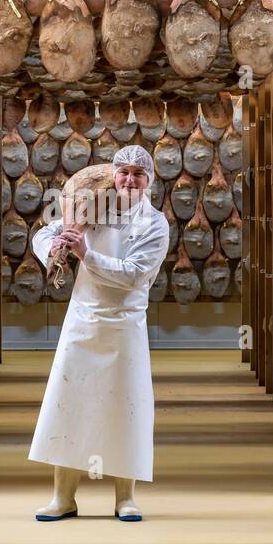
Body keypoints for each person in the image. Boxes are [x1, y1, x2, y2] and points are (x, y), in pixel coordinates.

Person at [27, 144, 170, 522]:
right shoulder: (91, 206)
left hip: (124, 325)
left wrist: (86, 254)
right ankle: (63, 498)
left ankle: (126, 498)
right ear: (113, 175)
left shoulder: (155, 224)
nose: (128, 180)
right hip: (83, 321)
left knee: (125, 409)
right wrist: (54, 247)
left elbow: (132, 274)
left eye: (138, 174)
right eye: (122, 172)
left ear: (149, 181)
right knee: (69, 405)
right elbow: (44, 233)